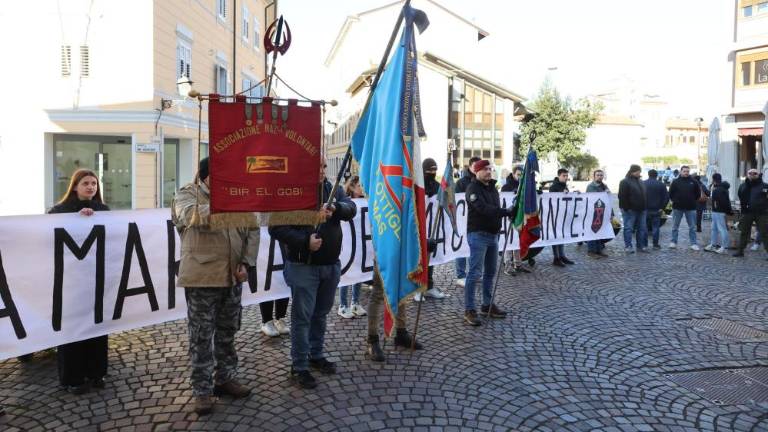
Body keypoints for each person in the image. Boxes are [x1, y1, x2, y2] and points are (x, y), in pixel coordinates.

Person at [172, 157, 255, 415]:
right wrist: (227, 203)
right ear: (208, 175)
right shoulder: (187, 194)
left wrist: (247, 262)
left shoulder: (236, 193)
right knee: (200, 336)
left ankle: (225, 378)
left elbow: (252, 228)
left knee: (228, 331)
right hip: (202, 277)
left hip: (232, 276)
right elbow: (190, 216)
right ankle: (202, 391)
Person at [269, 158, 356, 389]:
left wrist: (336, 208)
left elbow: (352, 208)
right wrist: (304, 241)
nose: (322, 170)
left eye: (324, 166)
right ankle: (299, 366)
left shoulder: (333, 189)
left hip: (330, 265)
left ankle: (315, 355)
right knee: (302, 318)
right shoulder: (291, 191)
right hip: (303, 266)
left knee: (321, 314)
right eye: (317, 166)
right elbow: (276, 227)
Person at [49, 169, 110, 395]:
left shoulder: (104, 211)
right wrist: (76, 220)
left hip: (97, 279)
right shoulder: (59, 211)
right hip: (70, 281)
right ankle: (72, 378)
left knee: (97, 326)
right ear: (75, 186)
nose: (91, 187)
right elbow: (51, 238)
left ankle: (96, 373)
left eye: (94, 183)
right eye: (86, 183)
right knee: (73, 329)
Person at [463, 159, 512, 326]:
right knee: (475, 273)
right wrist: (505, 212)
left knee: (490, 272)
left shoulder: (493, 188)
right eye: (484, 169)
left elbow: (494, 210)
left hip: (493, 236)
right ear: (476, 172)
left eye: (490, 169)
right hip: (478, 235)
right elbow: (483, 209)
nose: (488, 172)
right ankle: (469, 309)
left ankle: (487, 305)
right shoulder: (472, 188)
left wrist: (506, 213)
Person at [415, 158, 449, 302]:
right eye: (429, 171)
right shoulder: (417, 186)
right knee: (418, 260)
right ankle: (417, 288)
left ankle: (428, 287)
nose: (432, 173)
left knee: (431, 260)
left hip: (433, 228)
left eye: (435, 171)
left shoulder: (438, 187)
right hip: (419, 228)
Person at [337, 176, 368, 318]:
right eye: (359, 185)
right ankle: (342, 305)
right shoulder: (347, 202)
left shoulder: (367, 201)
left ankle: (355, 302)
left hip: (361, 243)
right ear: (352, 187)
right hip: (348, 244)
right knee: (346, 273)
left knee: (359, 273)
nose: (362, 187)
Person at [454, 156, 481, 287]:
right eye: (475, 166)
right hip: (462, 220)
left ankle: (473, 273)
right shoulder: (461, 183)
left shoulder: (482, 182)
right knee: (461, 246)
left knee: (475, 247)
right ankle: (461, 275)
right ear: (470, 167)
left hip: (476, 221)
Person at [501, 166, 531, 274]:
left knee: (518, 241)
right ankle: (507, 264)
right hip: (510, 218)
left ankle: (518, 263)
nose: (520, 177)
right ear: (513, 174)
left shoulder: (524, 185)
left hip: (521, 218)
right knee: (509, 241)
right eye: (518, 174)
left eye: (521, 175)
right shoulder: (506, 187)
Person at [733, 169, 768, 258]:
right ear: (747, 174)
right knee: (744, 232)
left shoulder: (765, 186)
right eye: (750, 173)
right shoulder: (743, 186)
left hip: (762, 213)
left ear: (758, 174)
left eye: (755, 173)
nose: (752, 174)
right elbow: (740, 196)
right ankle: (740, 251)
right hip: (747, 213)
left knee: (765, 233)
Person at [668, 165, 701, 250]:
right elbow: (670, 193)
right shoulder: (675, 182)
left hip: (691, 208)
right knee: (675, 226)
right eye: (684, 171)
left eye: (687, 171)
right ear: (680, 171)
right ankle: (673, 242)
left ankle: (693, 243)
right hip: (677, 207)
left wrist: (692, 200)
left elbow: (698, 194)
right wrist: (675, 200)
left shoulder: (694, 182)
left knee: (692, 227)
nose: (686, 173)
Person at [548, 168, 575, 266]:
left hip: (563, 214)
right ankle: (556, 257)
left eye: (567, 176)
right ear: (559, 176)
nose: (566, 177)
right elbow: (553, 200)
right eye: (564, 176)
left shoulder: (564, 185)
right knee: (556, 236)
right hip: (555, 215)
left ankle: (562, 255)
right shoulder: (553, 187)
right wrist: (561, 194)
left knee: (562, 235)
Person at [618, 164, 648, 253]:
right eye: (638, 171)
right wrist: (627, 208)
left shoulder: (641, 181)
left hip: (642, 209)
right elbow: (622, 196)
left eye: (640, 172)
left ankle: (640, 246)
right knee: (628, 228)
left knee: (642, 228)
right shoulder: (624, 181)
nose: (639, 173)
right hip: (630, 210)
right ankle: (628, 246)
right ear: (633, 171)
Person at [704, 173, 732, 254]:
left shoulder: (718, 189)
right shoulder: (720, 188)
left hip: (719, 211)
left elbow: (724, 202)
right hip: (716, 211)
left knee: (722, 229)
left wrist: (727, 211)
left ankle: (724, 247)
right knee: (714, 229)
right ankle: (713, 245)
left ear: (713, 179)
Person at [586, 169, 610, 257]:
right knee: (592, 231)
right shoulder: (591, 186)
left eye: (601, 175)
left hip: (601, 212)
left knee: (600, 231)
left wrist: (610, 214)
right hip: (593, 212)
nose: (600, 177)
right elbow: (593, 198)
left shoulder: (604, 186)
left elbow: (608, 200)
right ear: (594, 176)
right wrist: (604, 193)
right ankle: (591, 251)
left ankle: (598, 250)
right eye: (598, 175)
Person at [643, 169, 669, 250]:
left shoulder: (643, 183)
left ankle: (644, 244)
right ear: (656, 175)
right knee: (656, 227)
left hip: (645, 209)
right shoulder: (661, 184)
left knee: (644, 227)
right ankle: (655, 244)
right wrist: (662, 208)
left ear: (648, 174)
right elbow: (666, 197)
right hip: (657, 209)